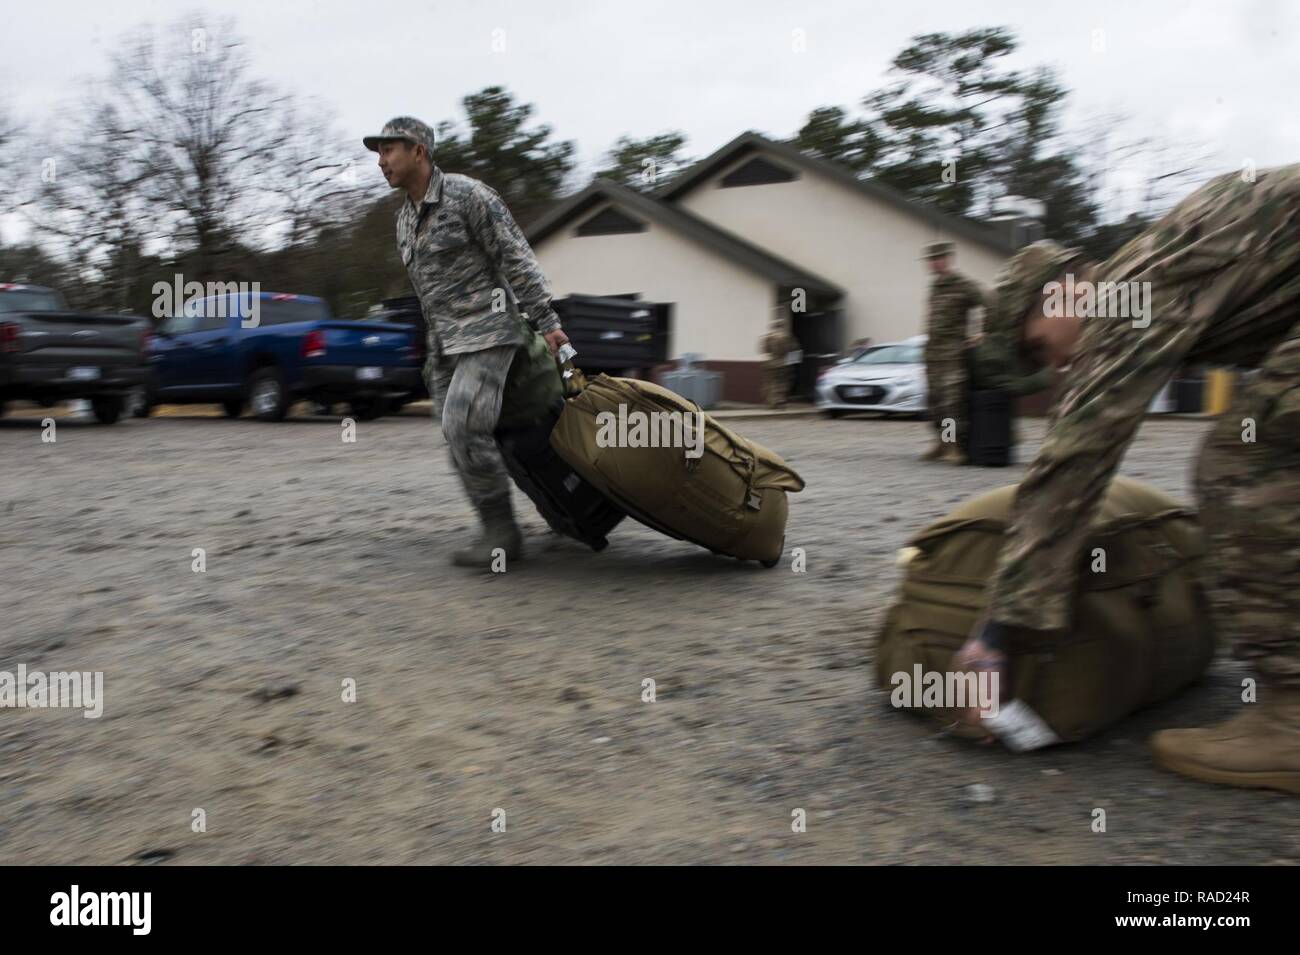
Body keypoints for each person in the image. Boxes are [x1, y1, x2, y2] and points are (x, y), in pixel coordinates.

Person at [954, 165, 1300, 794]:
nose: (1055, 365)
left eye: (1036, 348)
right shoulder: (1156, 264)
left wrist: (992, 637)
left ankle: (1292, 722)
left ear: (1057, 294)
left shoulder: (1118, 298)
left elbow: (1074, 463)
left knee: (1245, 467)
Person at [364, 117, 570, 568]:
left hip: (488, 332)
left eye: (388, 150)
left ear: (419, 150)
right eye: (377, 154)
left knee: (463, 424)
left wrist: (547, 319)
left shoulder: (468, 195)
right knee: (457, 435)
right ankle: (504, 519)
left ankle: (502, 534)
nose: (381, 162)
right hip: (444, 345)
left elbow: (515, 256)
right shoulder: (403, 220)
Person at [922, 241, 988, 464]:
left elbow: (989, 304)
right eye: (930, 261)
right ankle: (941, 442)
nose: (932, 264)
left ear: (947, 259)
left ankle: (953, 446)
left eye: (936, 259)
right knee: (935, 401)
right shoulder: (935, 286)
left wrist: (981, 333)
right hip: (933, 353)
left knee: (952, 401)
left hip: (952, 353)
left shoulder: (964, 285)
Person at [759, 310, 798, 408]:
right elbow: (794, 350)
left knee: (770, 382)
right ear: (782, 326)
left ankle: (771, 403)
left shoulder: (768, 337)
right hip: (783, 363)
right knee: (783, 382)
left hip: (770, 363)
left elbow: (764, 350)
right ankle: (780, 401)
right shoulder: (787, 337)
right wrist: (792, 363)